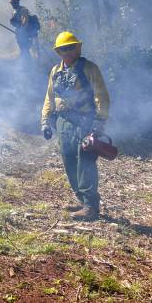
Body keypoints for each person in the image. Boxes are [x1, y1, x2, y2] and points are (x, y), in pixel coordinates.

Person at [41, 31, 109, 221]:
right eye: (64, 49)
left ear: (78, 48)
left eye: (71, 47)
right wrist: (45, 121)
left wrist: (100, 121)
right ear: (58, 52)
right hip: (63, 122)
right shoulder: (55, 71)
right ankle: (82, 200)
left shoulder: (90, 69)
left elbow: (101, 96)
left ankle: (91, 206)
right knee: (69, 161)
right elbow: (49, 98)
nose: (68, 52)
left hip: (85, 121)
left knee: (85, 161)